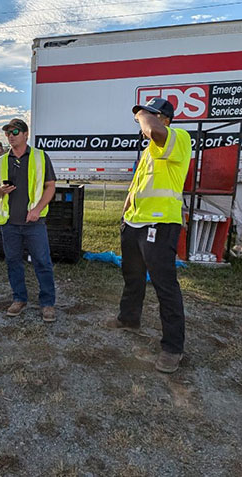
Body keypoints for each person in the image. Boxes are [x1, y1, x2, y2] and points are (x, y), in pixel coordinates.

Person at [105, 97, 191, 374]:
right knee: (132, 275)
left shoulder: (178, 138)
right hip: (134, 223)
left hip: (161, 224)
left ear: (165, 119)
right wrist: (126, 208)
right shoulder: (150, 150)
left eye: (151, 114)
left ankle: (172, 348)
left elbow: (153, 130)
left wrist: (142, 115)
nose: (143, 118)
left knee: (165, 286)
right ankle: (129, 318)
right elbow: (139, 182)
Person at [0, 119, 57, 323]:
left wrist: (37, 209)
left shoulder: (39, 156)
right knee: (13, 262)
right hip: (9, 223)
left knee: (42, 262)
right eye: (8, 133)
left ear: (26, 134)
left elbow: (50, 186)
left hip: (34, 222)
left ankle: (47, 303)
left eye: (15, 131)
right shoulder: (1, 161)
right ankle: (19, 299)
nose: (11, 135)